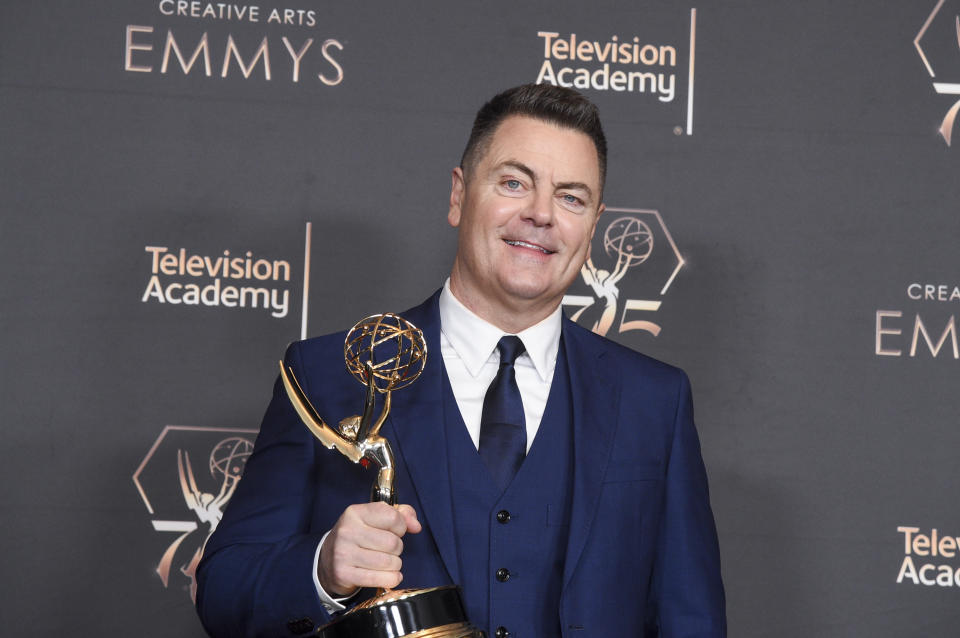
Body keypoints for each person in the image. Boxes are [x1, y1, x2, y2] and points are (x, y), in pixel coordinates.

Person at [196, 83, 726, 637]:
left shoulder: (653, 401)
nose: (541, 214)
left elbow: (692, 620)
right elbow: (224, 590)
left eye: (571, 197)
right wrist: (323, 566)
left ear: (591, 230)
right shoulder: (326, 376)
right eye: (515, 182)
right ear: (459, 194)